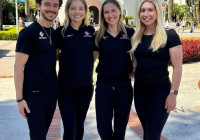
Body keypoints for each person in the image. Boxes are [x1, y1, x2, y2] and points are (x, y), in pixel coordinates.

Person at [130, 0, 182, 140]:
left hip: (160, 92)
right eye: (143, 10)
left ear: (157, 12)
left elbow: (177, 67)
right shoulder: (136, 36)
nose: (146, 14)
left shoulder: (169, 35)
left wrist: (173, 94)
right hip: (140, 91)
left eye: (150, 10)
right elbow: (135, 63)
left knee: (152, 135)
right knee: (147, 133)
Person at [14, 0, 62, 139]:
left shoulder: (54, 32)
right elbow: (18, 67)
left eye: (55, 5)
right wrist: (19, 99)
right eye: (47, 4)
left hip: (51, 94)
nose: (51, 9)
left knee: (43, 134)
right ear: (38, 5)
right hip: (34, 95)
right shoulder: (28, 33)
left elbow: (52, 56)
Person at [94, 0, 134, 139]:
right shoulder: (98, 36)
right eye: (106, 12)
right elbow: (90, 60)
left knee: (120, 129)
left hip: (124, 86)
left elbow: (136, 56)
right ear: (102, 15)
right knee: (103, 129)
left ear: (119, 11)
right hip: (103, 86)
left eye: (113, 11)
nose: (110, 15)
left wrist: (134, 69)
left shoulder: (129, 33)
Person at [55, 0, 95, 139]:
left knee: (79, 125)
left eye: (80, 8)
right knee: (69, 127)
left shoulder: (91, 31)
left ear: (85, 11)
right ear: (68, 11)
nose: (77, 12)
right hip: (66, 88)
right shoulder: (60, 32)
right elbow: (53, 55)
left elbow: (94, 55)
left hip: (85, 87)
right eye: (73, 8)